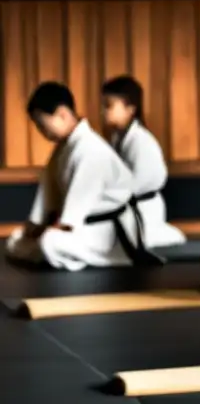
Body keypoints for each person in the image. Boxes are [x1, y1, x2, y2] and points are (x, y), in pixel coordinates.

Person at [5, 81, 157, 270]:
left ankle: (74, 257)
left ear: (62, 114)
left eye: (43, 125)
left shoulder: (90, 149)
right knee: (16, 239)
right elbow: (48, 193)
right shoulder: (64, 147)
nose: (42, 132)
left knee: (49, 242)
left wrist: (49, 230)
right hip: (84, 228)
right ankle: (47, 253)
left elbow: (71, 219)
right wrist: (36, 225)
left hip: (107, 234)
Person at [101, 75, 187, 250]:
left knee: (128, 241)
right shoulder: (117, 138)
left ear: (130, 108)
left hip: (144, 209)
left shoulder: (141, 141)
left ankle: (168, 234)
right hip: (126, 208)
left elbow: (140, 183)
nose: (104, 111)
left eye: (109, 106)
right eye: (104, 106)